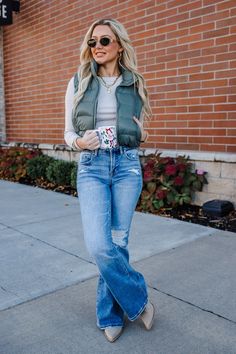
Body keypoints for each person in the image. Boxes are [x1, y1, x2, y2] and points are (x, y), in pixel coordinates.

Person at [64, 18, 155, 343]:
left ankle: (110, 314)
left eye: (104, 41)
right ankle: (139, 298)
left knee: (118, 244)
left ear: (119, 45)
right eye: (93, 42)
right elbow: (67, 133)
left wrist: (142, 134)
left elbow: (138, 129)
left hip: (127, 166)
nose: (97, 47)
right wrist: (79, 143)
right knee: (99, 246)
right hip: (92, 166)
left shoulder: (135, 83)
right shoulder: (78, 81)